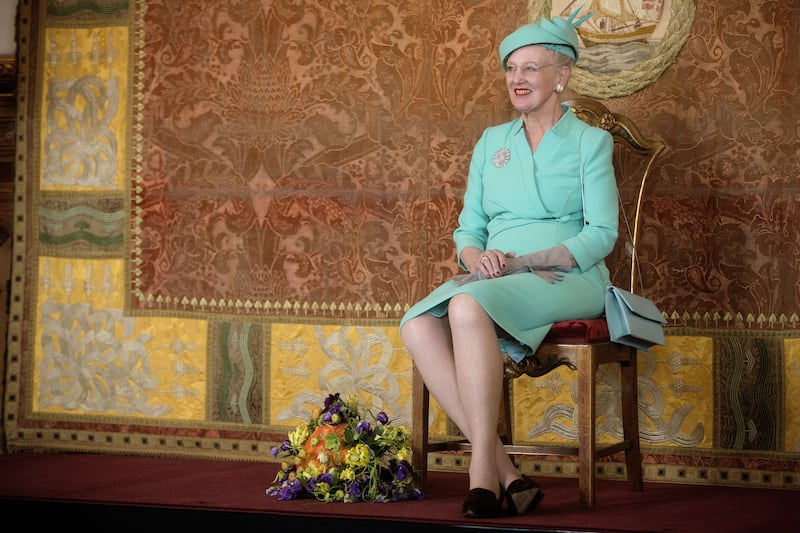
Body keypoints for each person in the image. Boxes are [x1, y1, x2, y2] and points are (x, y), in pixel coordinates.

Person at [400, 10, 619, 519]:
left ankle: (482, 476)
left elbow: (602, 235)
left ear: (561, 76)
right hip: (495, 276)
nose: (517, 79)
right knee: (416, 323)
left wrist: (523, 261)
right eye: (511, 69)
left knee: (466, 304)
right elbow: (467, 230)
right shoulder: (490, 142)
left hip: (569, 276)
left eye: (530, 68)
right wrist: (480, 258)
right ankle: (508, 474)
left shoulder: (591, 142)